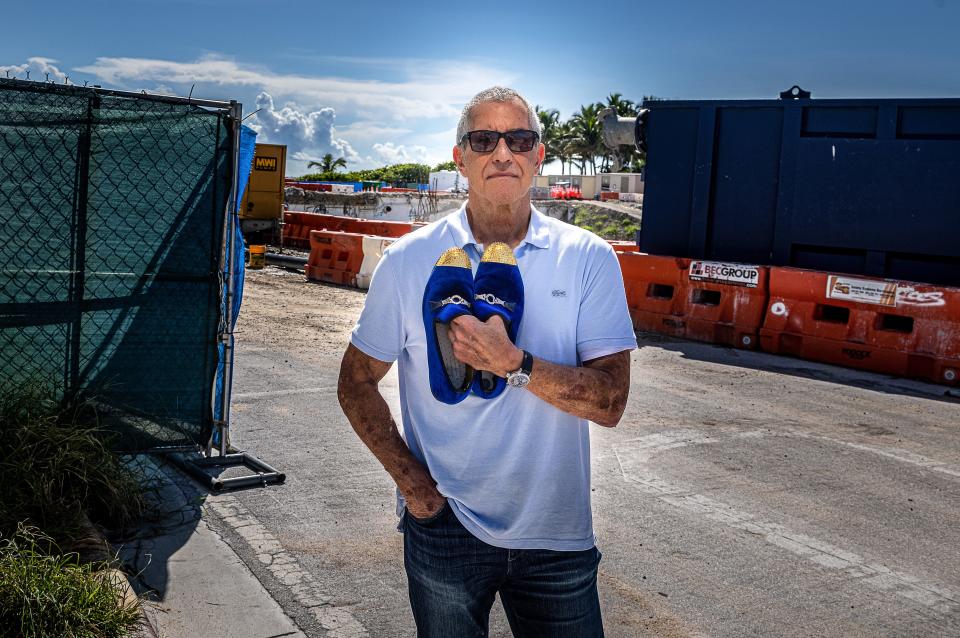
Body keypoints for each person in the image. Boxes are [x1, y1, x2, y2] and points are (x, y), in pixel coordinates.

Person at [338, 86, 637, 637]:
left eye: (519, 138)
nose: (503, 152)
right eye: (484, 139)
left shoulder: (588, 257)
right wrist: (417, 490)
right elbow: (356, 381)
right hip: (445, 523)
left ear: (538, 155)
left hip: (555, 533)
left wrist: (514, 364)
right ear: (461, 158)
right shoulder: (408, 261)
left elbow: (610, 402)